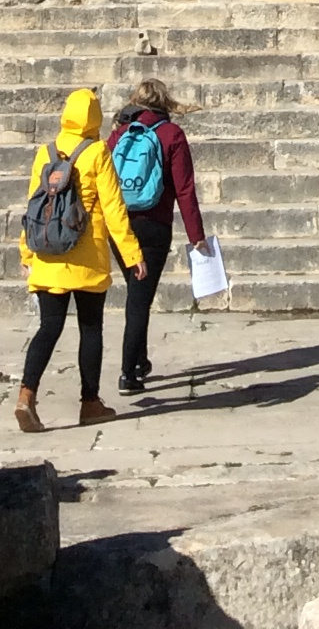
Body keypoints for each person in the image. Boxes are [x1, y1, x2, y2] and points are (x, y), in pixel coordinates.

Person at [15, 87, 141, 434]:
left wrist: (27, 252)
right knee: (90, 328)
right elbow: (114, 207)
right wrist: (132, 254)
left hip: (48, 251)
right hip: (86, 255)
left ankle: (26, 395)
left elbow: (32, 206)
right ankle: (90, 403)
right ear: (95, 118)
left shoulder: (46, 152)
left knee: (49, 327)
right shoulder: (98, 151)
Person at [108, 77, 206, 396]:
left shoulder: (118, 134)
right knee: (140, 299)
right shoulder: (171, 134)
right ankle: (128, 372)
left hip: (120, 226)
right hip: (154, 225)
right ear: (164, 103)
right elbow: (185, 189)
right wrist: (196, 236)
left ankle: (139, 360)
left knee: (137, 293)